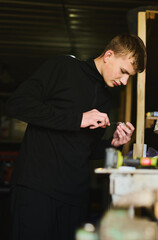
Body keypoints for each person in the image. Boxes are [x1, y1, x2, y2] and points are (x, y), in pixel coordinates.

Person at [5, 34, 146, 240]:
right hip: (37, 190)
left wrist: (112, 144)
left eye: (129, 77)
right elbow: (17, 105)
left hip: (75, 198)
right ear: (108, 55)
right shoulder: (63, 67)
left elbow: (84, 149)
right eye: (124, 71)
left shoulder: (106, 98)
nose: (124, 81)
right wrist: (78, 119)